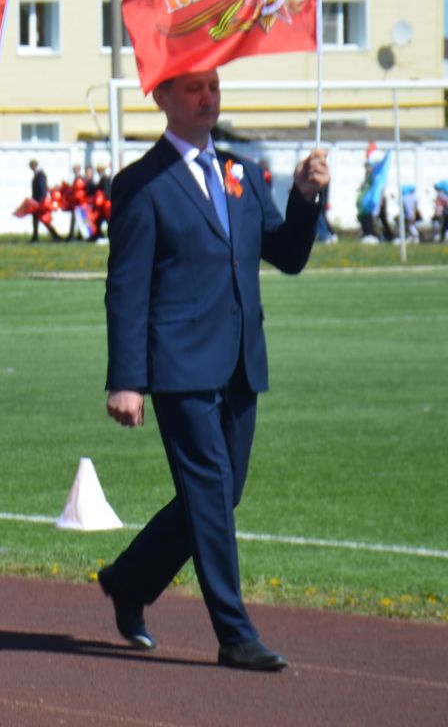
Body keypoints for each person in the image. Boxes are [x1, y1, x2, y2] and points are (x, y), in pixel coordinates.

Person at [97, 69, 326, 672]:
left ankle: (130, 579)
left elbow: (288, 256)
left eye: (215, 86)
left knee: (221, 496)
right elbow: (125, 289)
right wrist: (126, 378)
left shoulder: (241, 173)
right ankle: (235, 632)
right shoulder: (141, 184)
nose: (208, 98)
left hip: (241, 361)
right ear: (162, 98)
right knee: (208, 491)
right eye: (194, 88)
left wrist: (304, 198)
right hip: (178, 365)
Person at [28, 159, 60, 242]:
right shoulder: (37, 174)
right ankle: (35, 236)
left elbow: (42, 188)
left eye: (32, 166)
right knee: (36, 218)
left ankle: (55, 235)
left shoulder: (40, 175)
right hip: (36, 201)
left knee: (44, 219)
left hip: (40, 201)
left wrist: (41, 201)